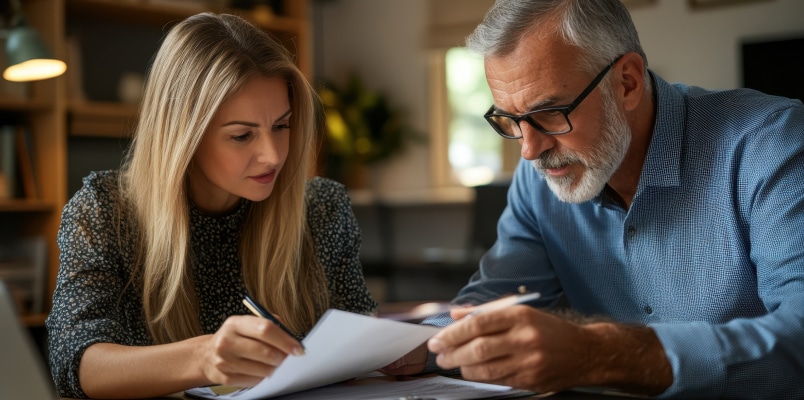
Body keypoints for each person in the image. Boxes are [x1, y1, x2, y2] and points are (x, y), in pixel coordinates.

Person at [383, 0, 804, 398]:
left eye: (550, 113)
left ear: (627, 83)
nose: (529, 150)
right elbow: (490, 304)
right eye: (510, 120)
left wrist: (598, 353)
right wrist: (405, 345)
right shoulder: (540, 181)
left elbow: (798, 340)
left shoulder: (772, 145)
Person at [46, 12, 377, 399]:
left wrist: (407, 353)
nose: (272, 156)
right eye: (241, 135)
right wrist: (203, 358)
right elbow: (75, 361)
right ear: (183, 136)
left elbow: (361, 336)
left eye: (282, 126)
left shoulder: (321, 207)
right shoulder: (105, 211)